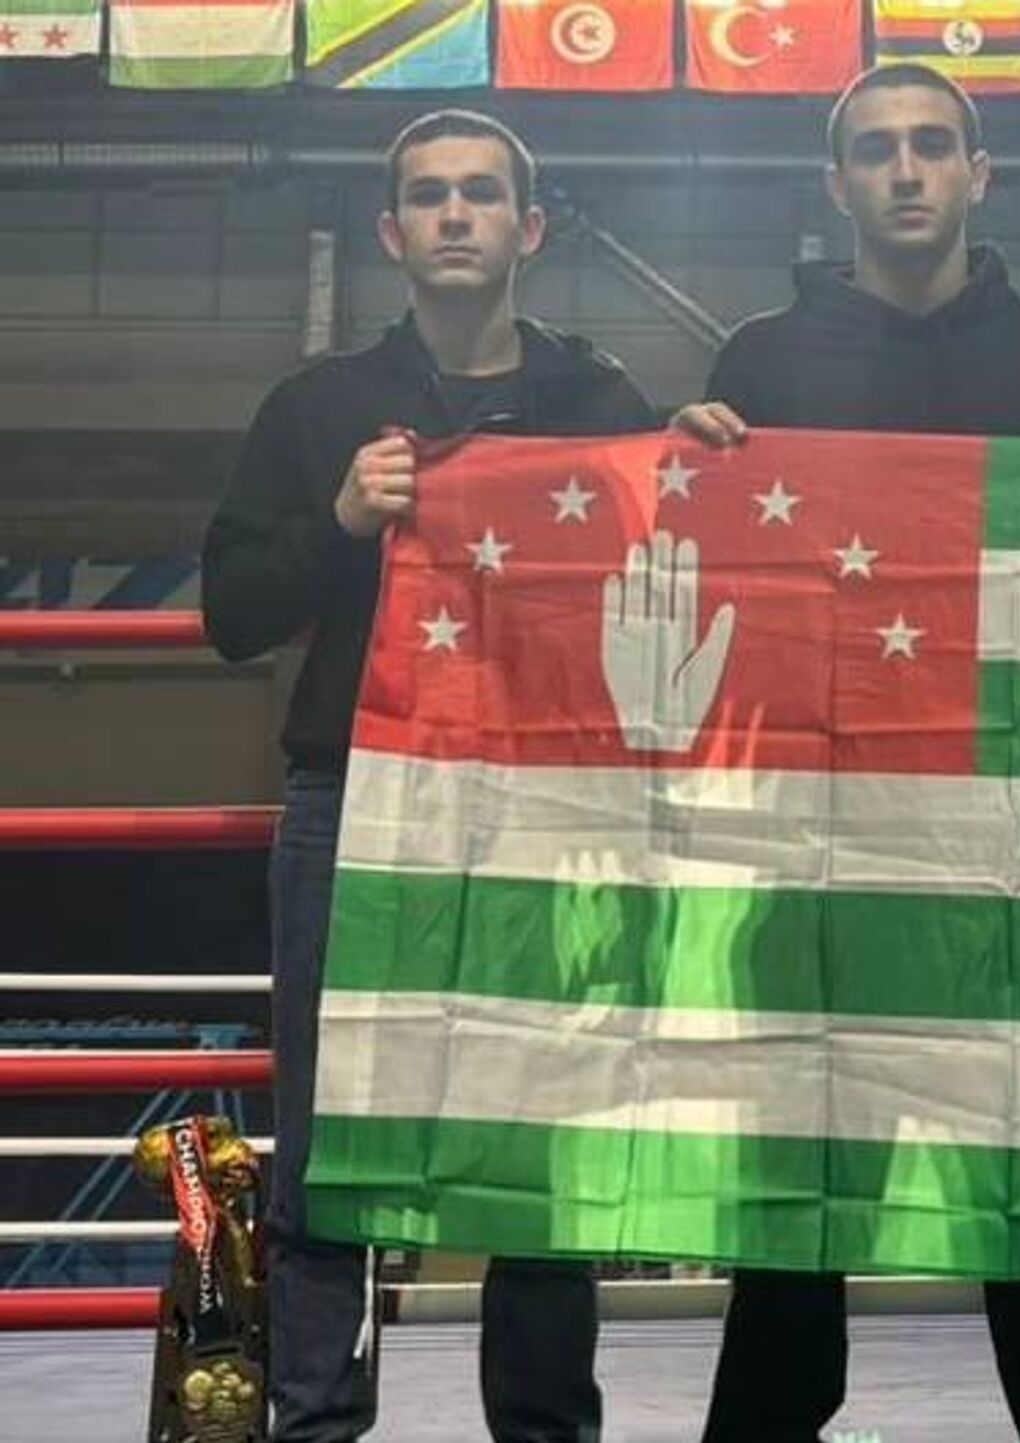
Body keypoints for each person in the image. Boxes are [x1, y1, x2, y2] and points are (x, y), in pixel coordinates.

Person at [673, 62, 1020, 1443]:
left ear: (977, 174)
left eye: (933, 145)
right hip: (815, 853)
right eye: (878, 148)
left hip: (1015, 858)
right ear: (836, 184)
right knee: (794, 1207)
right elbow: (707, 589)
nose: (906, 169)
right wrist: (682, 465)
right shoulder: (758, 364)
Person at [201, 108, 655, 1443]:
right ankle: (315, 1426)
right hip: (351, 801)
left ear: (531, 227)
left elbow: (671, 581)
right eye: (430, 194)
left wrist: (704, 457)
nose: (456, 213)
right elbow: (229, 612)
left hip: (544, 807)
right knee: (327, 1136)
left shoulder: (604, 404)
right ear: (394, 234)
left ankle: (544, 1430)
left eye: (482, 192)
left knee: (539, 1139)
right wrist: (339, 523)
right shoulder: (314, 409)